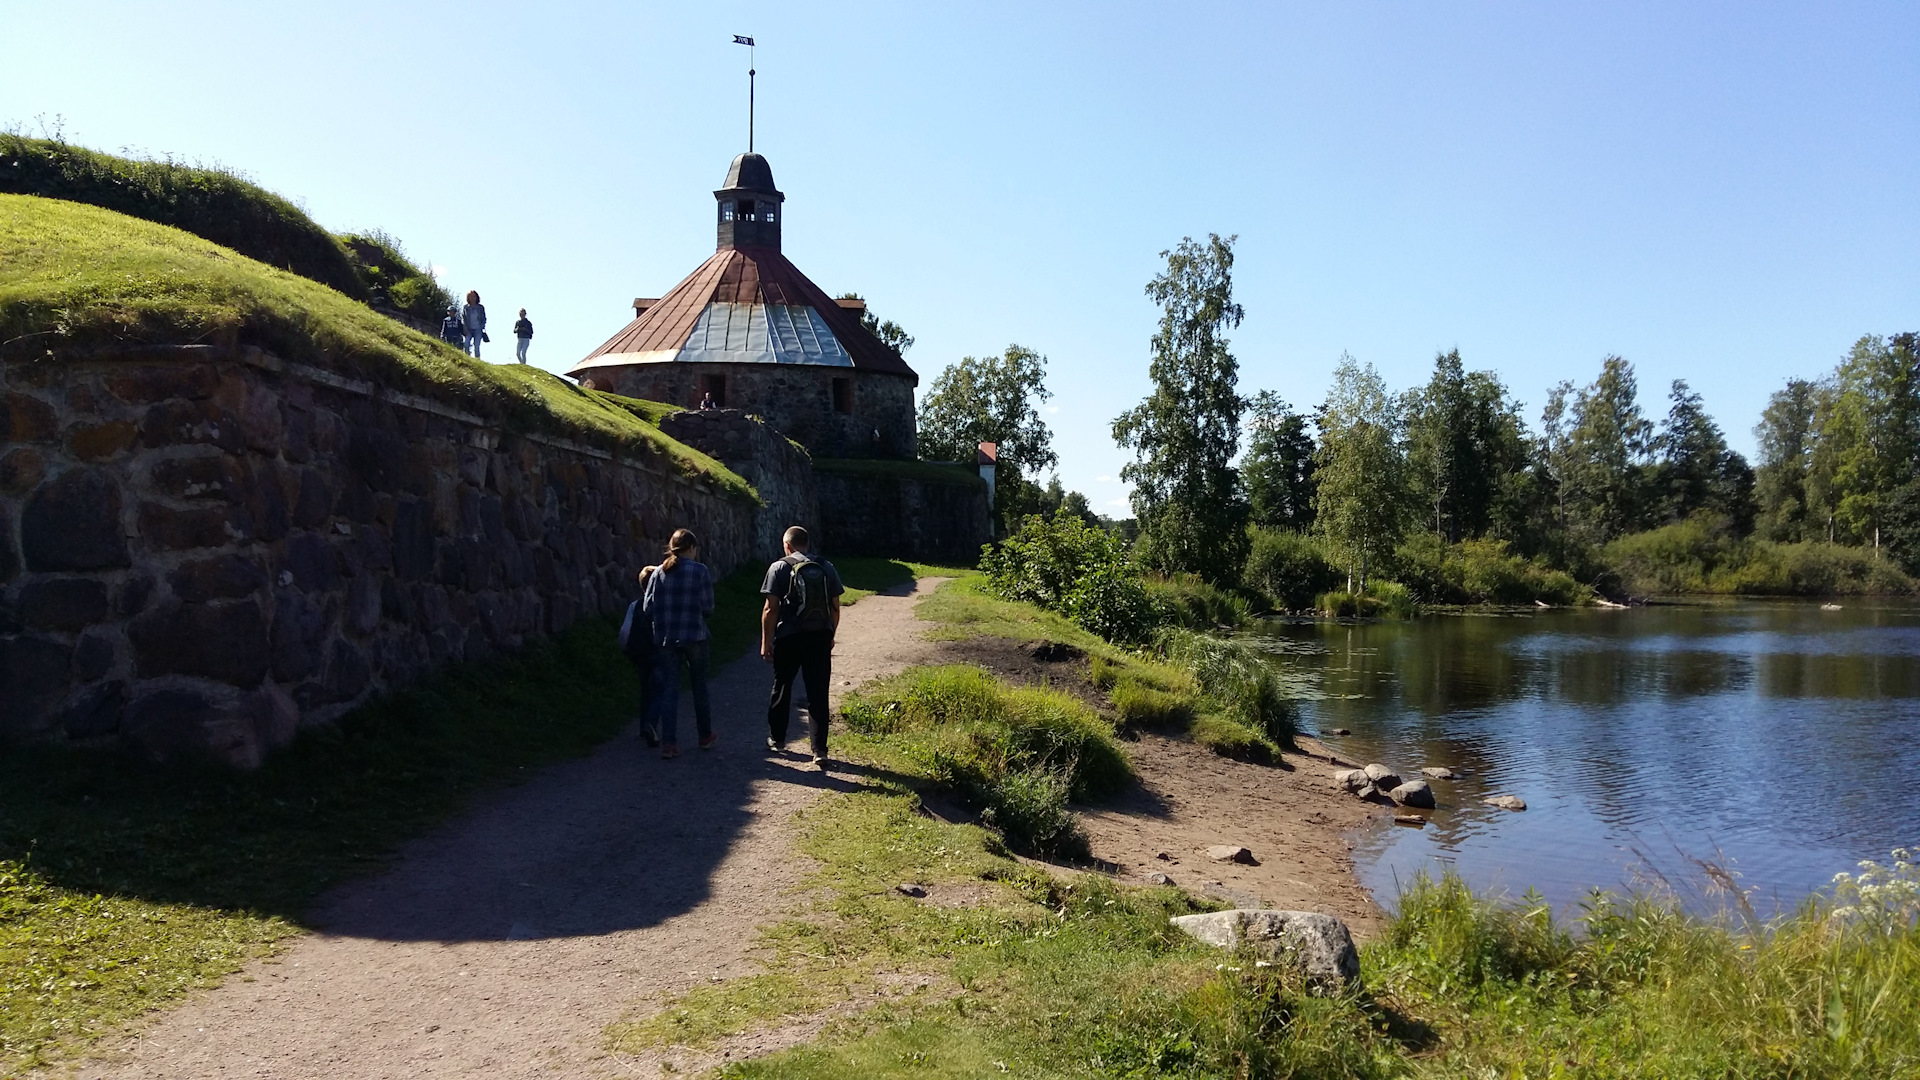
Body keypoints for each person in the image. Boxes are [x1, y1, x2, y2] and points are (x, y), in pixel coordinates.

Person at [760, 525, 843, 768]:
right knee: (818, 692)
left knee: (782, 687)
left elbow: (770, 608)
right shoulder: (826, 567)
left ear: (787, 544)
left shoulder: (779, 567)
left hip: (789, 637)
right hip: (819, 635)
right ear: (807, 543)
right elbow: (836, 606)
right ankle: (819, 750)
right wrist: (830, 633)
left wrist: (766, 641)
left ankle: (777, 739)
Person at [642, 529, 715, 758]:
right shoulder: (699, 571)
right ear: (691, 548)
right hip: (695, 636)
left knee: (670, 689)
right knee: (699, 686)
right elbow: (708, 607)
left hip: (666, 638)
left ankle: (669, 744)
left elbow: (647, 608)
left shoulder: (658, 573)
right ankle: (704, 736)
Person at [618, 565, 662, 747]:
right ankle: (651, 723)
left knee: (645, 688)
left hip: (639, 653)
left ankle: (643, 723)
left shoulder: (634, 605)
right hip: (658, 652)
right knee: (660, 687)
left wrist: (625, 649)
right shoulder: (662, 605)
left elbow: (624, 631)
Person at [462, 290, 487, 358]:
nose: (472, 298)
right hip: (469, 329)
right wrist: (465, 328)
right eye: (470, 296)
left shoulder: (480, 307)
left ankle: (477, 360)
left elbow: (484, 318)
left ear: (476, 297)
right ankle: (467, 358)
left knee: (476, 346)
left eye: (474, 296)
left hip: (478, 329)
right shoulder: (466, 307)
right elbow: (463, 318)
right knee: (466, 344)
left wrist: (482, 327)